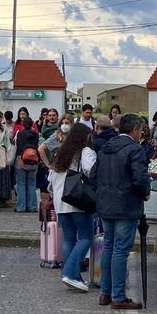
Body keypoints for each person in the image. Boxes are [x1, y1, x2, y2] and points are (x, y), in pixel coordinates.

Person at [89, 114, 150, 310]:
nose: (141, 134)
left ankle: (105, 293)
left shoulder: (105, 147)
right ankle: (118, 296)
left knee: (109, 247)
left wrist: (102, 193)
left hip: (106, 204)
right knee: (120, 251)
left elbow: (93, 175)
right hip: (126, 205)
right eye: (140, 130)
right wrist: (145, 193)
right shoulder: (135, 149)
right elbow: (139, 178)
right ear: (134, 130)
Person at [48, 123, 96, 292]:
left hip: (60, 203)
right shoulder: (85, 152)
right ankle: (70, 273)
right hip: (78, 201)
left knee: (69, 239)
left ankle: (70, 276)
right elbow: (91, 171)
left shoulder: (59, 153)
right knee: (86, 237)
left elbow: (50, 181)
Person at [14, 116, 39, 213]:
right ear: (32, 124)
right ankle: (32, 207)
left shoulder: (20, 133)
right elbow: (37, 147)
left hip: (22, 160)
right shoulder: (36, 134)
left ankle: (21, 207)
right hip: (33, 160)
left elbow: (19, 147)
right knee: (32, 184)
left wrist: (19, 158)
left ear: (23, 124)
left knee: (21, 184)